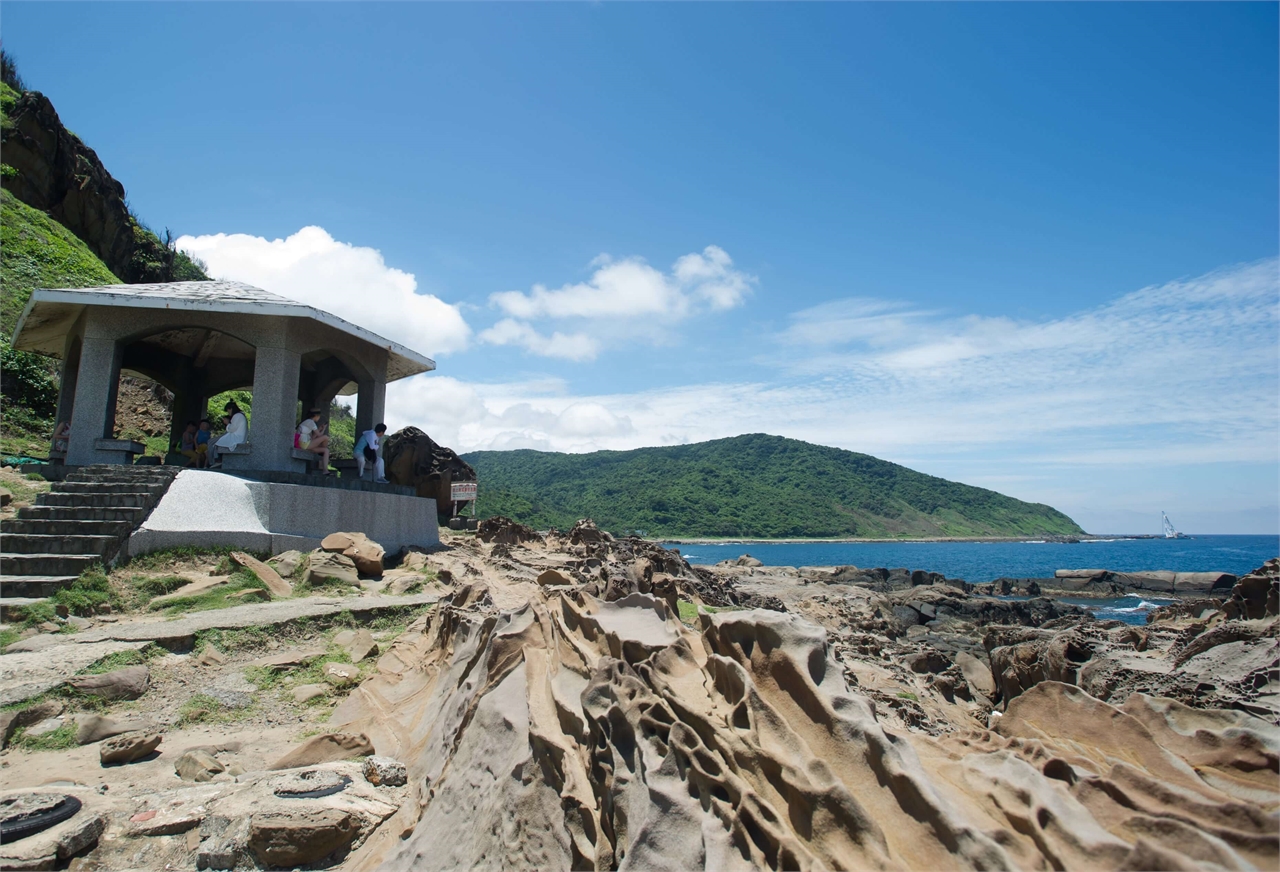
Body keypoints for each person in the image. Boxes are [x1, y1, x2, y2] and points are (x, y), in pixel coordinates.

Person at [210, 401, 248, 467]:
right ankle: (217, 460)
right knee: (215, 442)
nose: (228, 413)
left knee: (211, 442)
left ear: (230, 409)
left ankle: (215, 461)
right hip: (238, 438)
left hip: (235, 438)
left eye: (228, 411)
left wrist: (227, 423)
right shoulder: (241, 415)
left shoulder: (237, 416)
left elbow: (231, 429)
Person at [296, 409, 332, 474]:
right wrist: (323, 429)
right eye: (319, 416)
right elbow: (319, 435)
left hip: (305, 443)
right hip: (304, 444)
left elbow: (312, 438)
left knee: (326, 450)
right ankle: (322, 454)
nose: (319, 418)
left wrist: (319, 429)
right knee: (325, 437)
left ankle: (325, 471)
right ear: (316, 416)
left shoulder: (308, 422)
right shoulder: (311, 422)